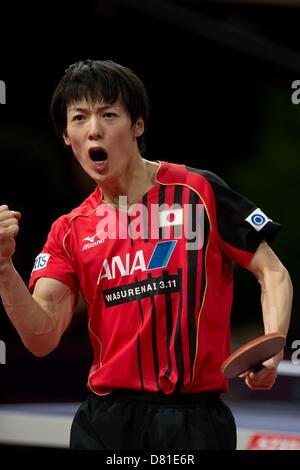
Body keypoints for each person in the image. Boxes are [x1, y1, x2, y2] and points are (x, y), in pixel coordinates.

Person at [0, 59, 293, 450]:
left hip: (194, 423)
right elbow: (41, 336)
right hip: (106, 423)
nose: (94, 129)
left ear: (137, 126)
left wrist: (272, 347)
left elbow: (272, 273)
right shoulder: (69, 230)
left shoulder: (197, 192)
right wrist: (3, 267)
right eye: (79, 118)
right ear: (66, 136)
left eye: (108, 114)